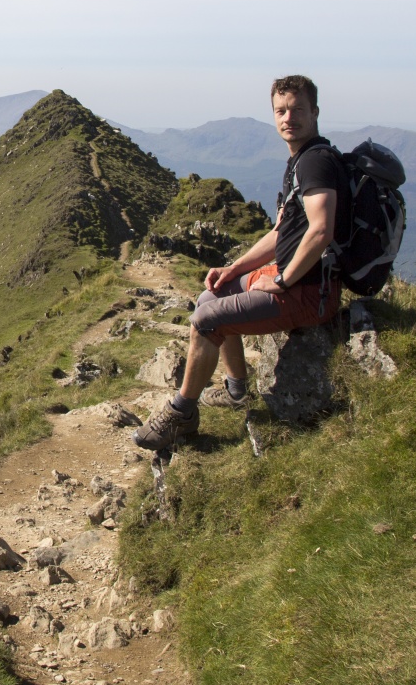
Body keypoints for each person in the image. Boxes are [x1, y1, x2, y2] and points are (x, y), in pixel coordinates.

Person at [134, 74, 348, 451]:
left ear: (315, 112)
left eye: (298, 109)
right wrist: (237, 269)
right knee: (210, 297)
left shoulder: (315, 163)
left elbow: (320, 231)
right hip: (296, 281)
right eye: (281, 110)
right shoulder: (300, 160)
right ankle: (236, 391)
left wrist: (282, 280)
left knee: (205, 320)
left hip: (309, 292)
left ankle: (182, 413)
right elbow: (283, 232)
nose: (288, 118)